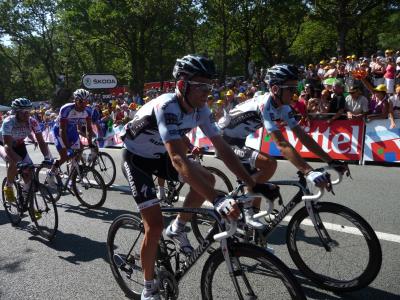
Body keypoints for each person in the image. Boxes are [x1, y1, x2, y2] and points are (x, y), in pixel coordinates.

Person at [120, 54, 259, 300]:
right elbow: (178, 159)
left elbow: (222, 148)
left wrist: (252, 183)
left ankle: (178, 227)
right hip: (136, 159)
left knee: (209, 179)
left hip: (160, 155)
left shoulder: (201, 109)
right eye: (201, 86)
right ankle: (148, 286)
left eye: (210, 85)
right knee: (153, 226)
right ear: (182, 85)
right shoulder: (166, 106)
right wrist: (216, 200)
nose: (207, 92)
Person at [217, 64, 349, 229]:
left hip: (238, 141)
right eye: (290, 89)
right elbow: (281, 144)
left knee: (260, 175)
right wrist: (308, 171)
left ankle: (251, 215)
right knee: (269, 164)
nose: (294, 93)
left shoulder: (284, 107)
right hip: (222, 141)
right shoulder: (265, 105)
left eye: (295, 88)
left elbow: (302, 136)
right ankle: (238, 205)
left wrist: (331, 161)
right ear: (275, 89)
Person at [0, 98, 51, 202]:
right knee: (14, 163)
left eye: (29, 111)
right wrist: (19, 162)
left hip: (19, 144)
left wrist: (47, 158)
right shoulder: (8, 122)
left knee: (30, 170)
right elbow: (7, 147)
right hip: (5, 145)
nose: (27, 114)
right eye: (24, 112)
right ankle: (8, 187)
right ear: (16, 112)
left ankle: (25, 193)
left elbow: (41, 141)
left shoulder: (32, 121)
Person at [47, 89, 95, 187]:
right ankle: (51, 173)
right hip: (59, 132)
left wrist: (90, 144)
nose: (84, 104)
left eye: (86, 101)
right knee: (65, 156)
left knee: (79, 151)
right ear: (75, 100)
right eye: (81, 101)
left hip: (72, 131)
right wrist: (68, 148)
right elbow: (62, 130)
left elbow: (89, 129)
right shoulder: (66, 109)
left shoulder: (88, 110)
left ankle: (71, 181)